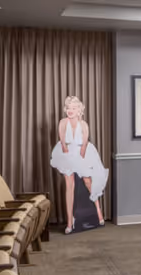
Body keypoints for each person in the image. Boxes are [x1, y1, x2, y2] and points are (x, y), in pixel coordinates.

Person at [50, 96, 108, 234]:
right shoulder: (63, 122)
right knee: (69, 186)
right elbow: (63, 144)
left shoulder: (84, 125)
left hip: (82, 154)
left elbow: (84, 147)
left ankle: (99, 213)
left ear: (79, 110)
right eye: (68, 108)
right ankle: (70, 222)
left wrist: (79, 162)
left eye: (73, 108)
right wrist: (70, 160)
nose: (70, 110)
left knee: (88, 182)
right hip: (67, 154)